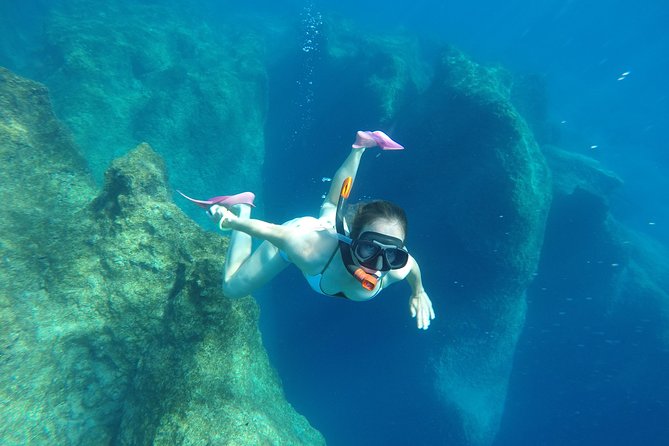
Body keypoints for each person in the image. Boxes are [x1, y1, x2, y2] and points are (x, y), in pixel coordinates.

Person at [181, 130, 435, 330]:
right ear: (352, 238)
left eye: (392, 255)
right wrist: (230, 221)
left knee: (333, 205)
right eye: (368, 248)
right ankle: (244, 205)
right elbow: (272, 232)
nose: (378, 264)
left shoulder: (397, 268)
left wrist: (419, 291)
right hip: (311, 234)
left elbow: (411, 265)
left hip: (330, 229)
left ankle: (360, 145)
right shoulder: (309, 249)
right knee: (232, 288)